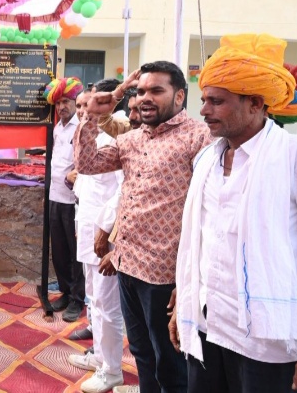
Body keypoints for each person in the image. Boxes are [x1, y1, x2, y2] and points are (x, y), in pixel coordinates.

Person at [171, 34, 297, 393]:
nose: (204, 110)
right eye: (204, 100)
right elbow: (200, 243)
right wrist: (185, 301)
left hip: (269, 340)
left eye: (216, 101)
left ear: (256, 103)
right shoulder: (207, 159)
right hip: (209, 326)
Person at [74, 61, 213, 393]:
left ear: (179, 96)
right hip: (128, 266)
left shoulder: (199, 137)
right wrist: (92, 114)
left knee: (172, 362)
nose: (145, 98)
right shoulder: (132, 139)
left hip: (166, 274)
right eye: (141, 91)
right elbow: (87, 164)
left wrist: (192, 278)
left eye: (156, 91)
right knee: (142, 353)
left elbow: (211, 212)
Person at [67, 91, 125, 393]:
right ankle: (100, 357)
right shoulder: (88, 138)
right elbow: (86, 191)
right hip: (88, 230)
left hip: (105, 237)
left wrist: (105, 230)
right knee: (94, 298)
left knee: (107, 304)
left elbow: (122, 193)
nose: (83, 111)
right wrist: (83, 226)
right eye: (80, 106)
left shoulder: (116, 140)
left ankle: (112, 369)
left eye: (89, 105)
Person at [42, 77, 86, 323]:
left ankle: (78, 300)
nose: (62, 107)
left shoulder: (82, 127)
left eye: (66, 102)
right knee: (58, 250)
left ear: (76, 102)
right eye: (58, 103)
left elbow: (87, 161)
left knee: (75, 253)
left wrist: (76, 173)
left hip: (73, 199)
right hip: (55, 196)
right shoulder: (58, 127)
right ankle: (66, 293)